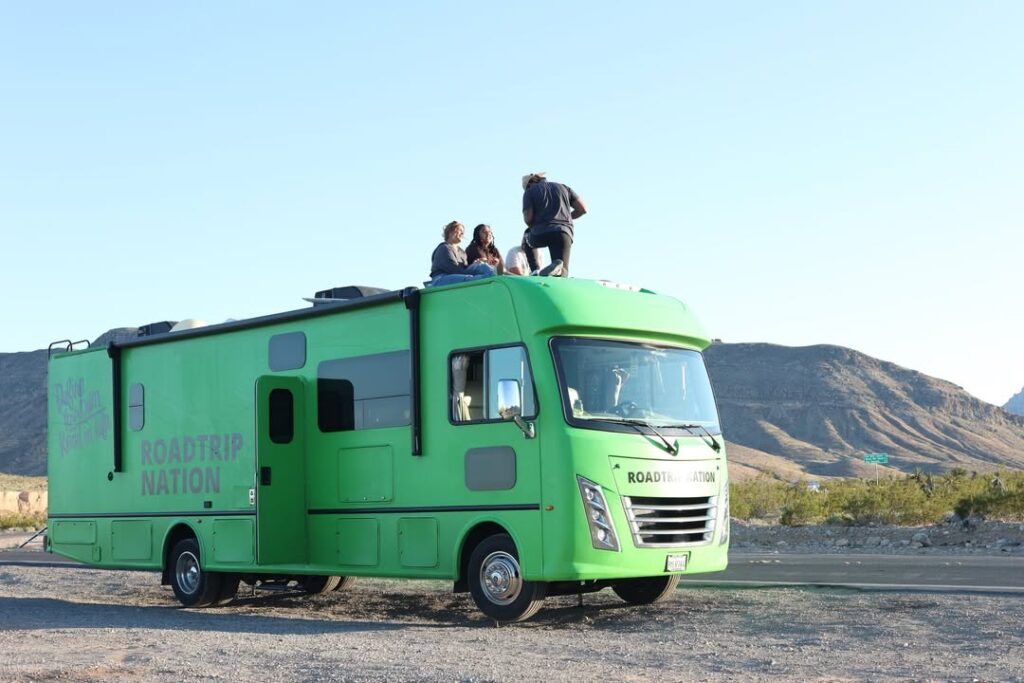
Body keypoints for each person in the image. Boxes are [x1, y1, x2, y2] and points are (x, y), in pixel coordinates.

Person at [522, 172, 587, 276]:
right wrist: (566, 217)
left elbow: (528, 219)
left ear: (528, 185)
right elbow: (582, 209)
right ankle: (560, 270)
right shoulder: (564, 188)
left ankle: (535, 271)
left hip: (540, 233)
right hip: (563, 232)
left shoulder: (530, 192)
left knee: (526, 237)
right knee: (561, 269)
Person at [427, 221, 496, 287]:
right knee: (470, 279)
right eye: (459, 230)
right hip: (441, 278)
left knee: (482, 266)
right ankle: (487, 281)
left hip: (458, 275)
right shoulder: (444, 248)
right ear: (450, 232)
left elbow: (465, 269)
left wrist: (476, 264)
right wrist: (474, 272)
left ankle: (494, 279)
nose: (462, 233)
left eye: (463, 231)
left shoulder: (462, 252)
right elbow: (454, 270)